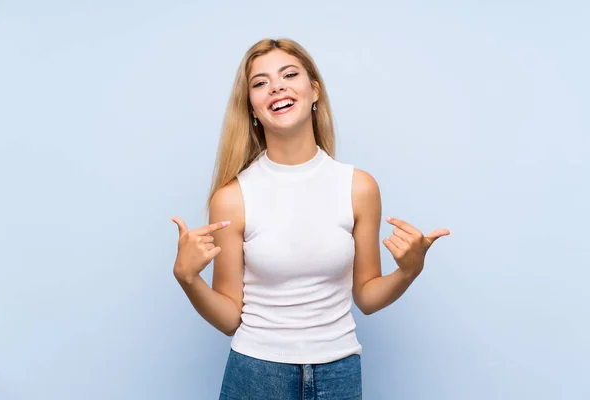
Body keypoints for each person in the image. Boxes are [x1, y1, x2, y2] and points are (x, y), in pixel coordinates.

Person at [171, 38, 450, 399]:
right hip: (257, 373)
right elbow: (228, 318)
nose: (277, 86)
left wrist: (409, 271)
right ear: (253, 109)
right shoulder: (232, 198)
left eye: (289, 74)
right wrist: (188, 278)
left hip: (340, 373)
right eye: (260, 83)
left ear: (314, 90)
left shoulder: (358, 187)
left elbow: (366, 295)